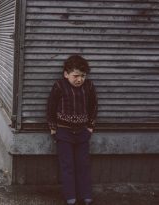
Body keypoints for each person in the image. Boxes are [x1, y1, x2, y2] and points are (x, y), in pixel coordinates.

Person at [46, 55, 98, 205]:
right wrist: (53, 128)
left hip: (82, 132)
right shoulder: (59, 86)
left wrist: (90, 126)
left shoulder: (89, 86)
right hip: (63, 132)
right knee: (67, 165)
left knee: (83, 164)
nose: (79, 79)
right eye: (76, 76)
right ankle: (70, 196)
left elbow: (94, 106)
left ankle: (86, 194)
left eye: (83, 76)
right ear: (66, 74)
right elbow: (51, 107)